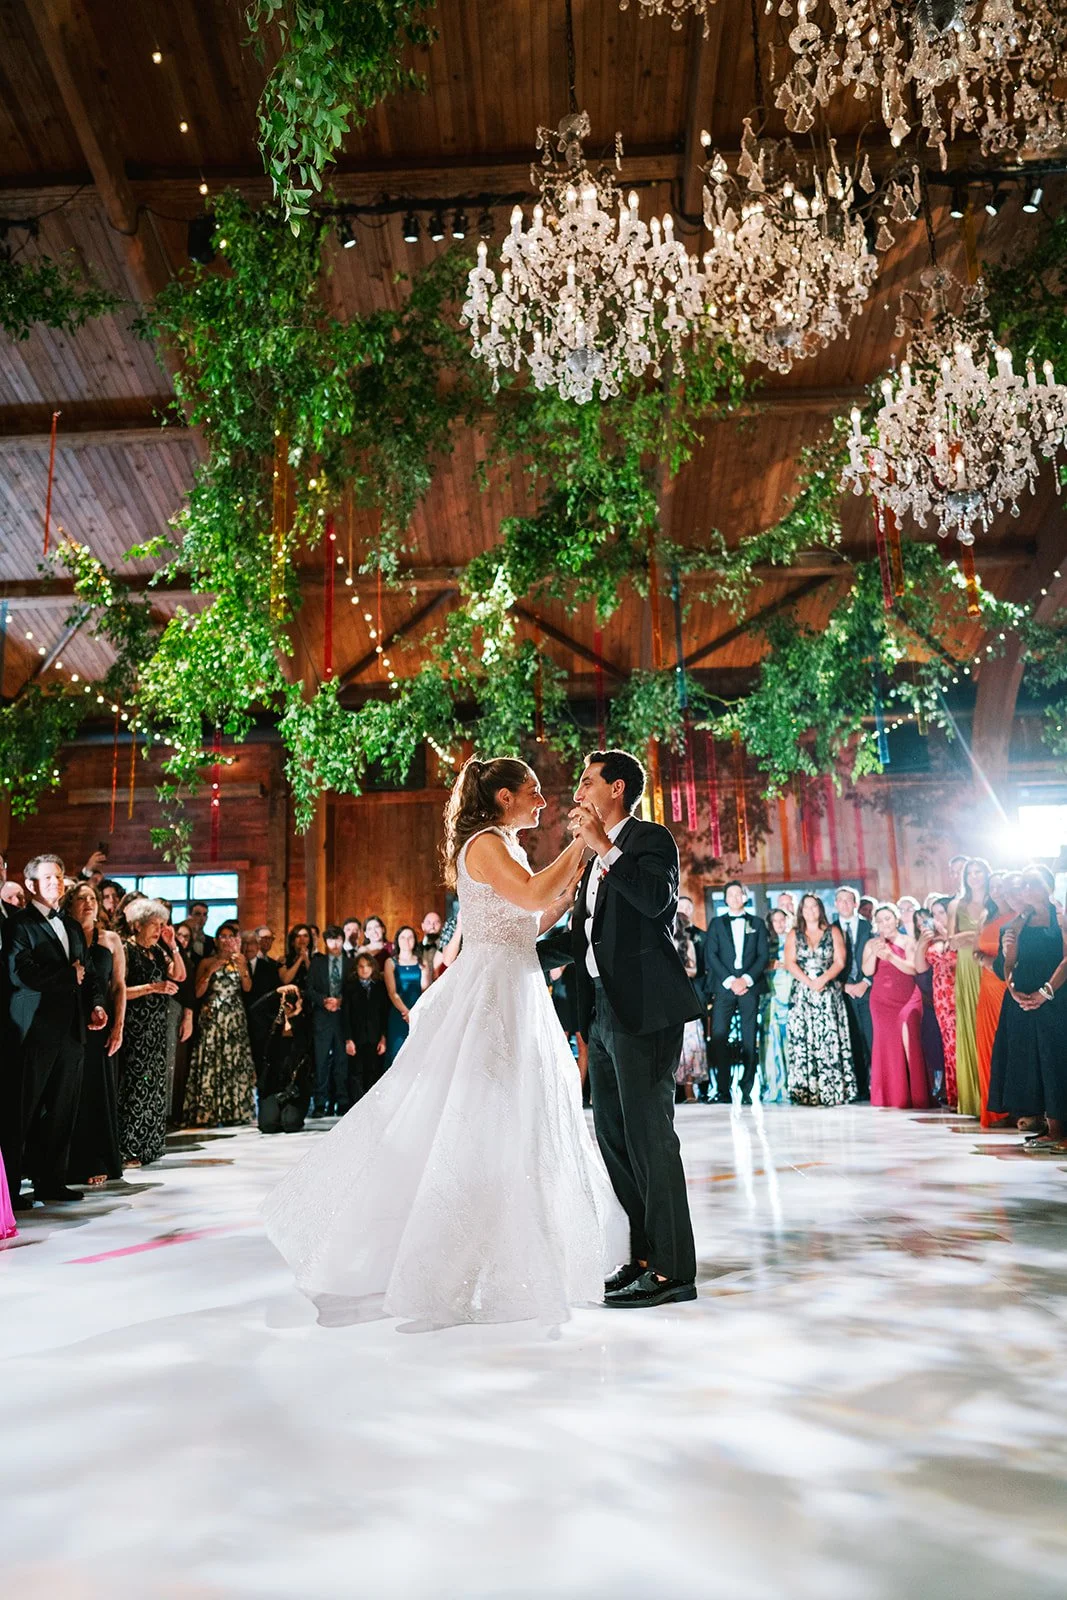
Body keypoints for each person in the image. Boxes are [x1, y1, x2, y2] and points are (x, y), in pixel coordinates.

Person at [262, 755, 626, 1328]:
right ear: (504, 797)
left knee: (521, 1118)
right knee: (472, 1120)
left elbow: (527, 919)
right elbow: (530, 896)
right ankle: (439, 1260)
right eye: (533, 790)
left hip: (518, 982)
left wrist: (569, 897)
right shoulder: (484, 843)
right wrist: (584, 843)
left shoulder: (509, 844)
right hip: (491, 992)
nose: (544, 800)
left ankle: (520, 1251)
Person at [545, 748, 702, 1308]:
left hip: (643, 1013)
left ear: (616, 789)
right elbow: (584, 939)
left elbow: (657, 903)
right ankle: (641, 1256)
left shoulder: (647, 840)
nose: (579, 791)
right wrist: (518, 950)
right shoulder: (594, 860)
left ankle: (672, 1270)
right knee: (615, 1140)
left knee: (650, 1139)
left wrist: (605, 849)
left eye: (587, 781)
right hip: (600, 1016)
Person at [7, 854, 107, 1204]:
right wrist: (67, 977)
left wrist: (96, 1004)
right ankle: (12, 1190)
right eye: (48, 878)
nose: (56, 882)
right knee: (23, 1110)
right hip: (33, 1030)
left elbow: (90, 974)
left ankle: (52, 1181)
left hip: (72, 1031)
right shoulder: (19, 925)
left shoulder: (73, 925)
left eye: (60, 876)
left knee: (63, 1108)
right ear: (32, 883)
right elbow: (20, 973)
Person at [987, 865, 1067, 1151]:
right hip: (1026, 998)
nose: (1024, 891)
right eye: (1023, 886)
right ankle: (1050, 1125)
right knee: (1039, 1061)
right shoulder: (1019, 922)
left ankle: (1060, 1128)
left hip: (1057, 996)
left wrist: (1045, 992)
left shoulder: (1061, 916)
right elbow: (1008, 963)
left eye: (1031, 884)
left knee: (1057, 1059)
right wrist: (1014, 990)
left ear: (1048, 886)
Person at [62, 882, 125, 1188]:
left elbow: (118, 987)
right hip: (67, 1022)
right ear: (68, 903)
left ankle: (97, 1158)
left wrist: (118, 1027)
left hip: (100, 1026)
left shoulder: (111, 939)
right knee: (68, 1092)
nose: (88, 903)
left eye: (92, 898)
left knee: (95, 1091)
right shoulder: (63, 934)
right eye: (81, 898)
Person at [119, 898, 181, 1166]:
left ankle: (150, 1145)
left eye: (160, 924)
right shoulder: (126, 950)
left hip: (156, 1027)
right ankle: (128, 1147)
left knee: (155, 1083)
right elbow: (119, 990)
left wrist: (173, 945)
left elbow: (178, 975)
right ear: (137, 925)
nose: (158, 929)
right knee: (134, 1085)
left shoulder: (156, 951)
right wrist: (153, 988)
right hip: (135, 1026)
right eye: (153, 924)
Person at [784, 893, 855, 1107]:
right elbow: (790, 963)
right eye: (806, 907)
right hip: (802, 994)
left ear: (820, 909)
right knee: (803, 1040)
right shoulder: (794, 934)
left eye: (814, 906)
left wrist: (822, 980)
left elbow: (840, 961)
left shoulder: (832, 931)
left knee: (829, 1040)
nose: (810, 911)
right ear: (801, 911)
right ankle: (805, 1091)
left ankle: (832, 1089)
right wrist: (809, 982)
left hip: (827, 991)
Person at [182, 922, 255, 1128]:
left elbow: (247, 987)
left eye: (229, 936)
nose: (225, 940)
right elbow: (196, 993)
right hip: (212, 1017)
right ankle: (208, 1111)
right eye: (221, 936)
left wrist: (242, 967)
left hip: (234, 1017)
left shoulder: (240, 960)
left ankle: (236, 1110)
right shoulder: (207, 961)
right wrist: (210, 971)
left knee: (234, 1061)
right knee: (212, 1062)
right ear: (216, 940)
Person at [704, 880, 769, 1105]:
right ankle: (722, 1089)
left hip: (750, 987)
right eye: (730, 894)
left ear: (744, 897)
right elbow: (711, 955)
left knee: (750, 1038)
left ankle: (748, 1087)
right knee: (719, 1036)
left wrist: (746, 979)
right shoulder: (716, 924)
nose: (734, 897)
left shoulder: (758, 923)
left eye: (738, 894)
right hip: (725, 988)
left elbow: (763, 955)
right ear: (725, 899)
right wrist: (731, 981)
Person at [863, 903, 928, 1110]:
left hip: (907, 997)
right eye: (880, 920)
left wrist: (891, 956)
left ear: (896, 919)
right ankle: (892, 1095)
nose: (885, 923)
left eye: (888, 919)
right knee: (887, 1044)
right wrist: (876, 951)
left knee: (909, 1040)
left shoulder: (908, 941)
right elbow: (867, 970)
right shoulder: (871, 943)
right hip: (881, 1000)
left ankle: (915, 1094)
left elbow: (913, 969)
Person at [974, 872, 1019, 1128]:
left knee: (1009, 1045)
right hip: (987, 986)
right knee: (987, 1046)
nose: (997, 891)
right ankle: (995, 1109)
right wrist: (983, 959)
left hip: (1006, 984)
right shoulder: (987, 917)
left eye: (1002, 886)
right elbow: (977, 951)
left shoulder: (1018, 918)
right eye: (993, 887)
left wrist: (990, 962)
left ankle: (1017, 1108)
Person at [948, 858, 992, 1117]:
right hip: (967, 967)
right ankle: (976, 1099)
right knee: (972, 1028)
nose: (975, 877)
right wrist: (972, 936)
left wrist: (970, 937)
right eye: (970, 873)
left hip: (990, 963)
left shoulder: (996, 903)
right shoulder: (957, 905)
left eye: (979, 872)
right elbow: (951, 942)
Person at [307, 925, 354, 1117]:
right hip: (323, 1017)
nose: (334, 944)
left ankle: (342, 1101)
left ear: (343, 941)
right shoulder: (317, 963)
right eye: (330, 940)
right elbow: (309, 989)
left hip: (344, 1017)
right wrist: (323, 1001)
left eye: (338, 939)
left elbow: (355, 989)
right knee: (321, 1061)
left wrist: (341, 1000)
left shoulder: (351, 963)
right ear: (325, 943)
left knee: (342, 1061)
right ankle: (320, 1103)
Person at [915, 896, 957, 1108]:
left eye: (942, 912)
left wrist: (947, 934)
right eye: (934, 913)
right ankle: (954, 1094)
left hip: (958, 990)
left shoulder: (958, 934)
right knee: (948, 1046)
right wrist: (923, 943)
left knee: (961, 1043)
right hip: (940, 995)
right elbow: (920, 968)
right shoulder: (932, 940)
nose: (938, 917)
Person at [255, 986, 313, 1135]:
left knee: (290, 1124)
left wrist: (296, 1015)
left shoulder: (306, 1021)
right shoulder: (273, 1021)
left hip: (296, 1086)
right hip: (273, 1085)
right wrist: (276, 993)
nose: (289, 1003)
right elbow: (254, 1010)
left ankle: (290, 1112)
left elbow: (303, 1046)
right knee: (268, 1126)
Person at [833, 885, 872, 1100]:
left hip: (867, 991)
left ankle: (877, 1085)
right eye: (841, 900)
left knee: (870, 1038)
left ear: (856, 904)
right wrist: (843, 985)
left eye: (849, 900)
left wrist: (865, 982)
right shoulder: (830, 929)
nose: (845, 904)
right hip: (842, 992)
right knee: (850, 1040)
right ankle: (858, 1088)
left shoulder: (869, 927)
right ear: (836, 904)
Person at [342, 953, 390, 1102]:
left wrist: (383, 1037)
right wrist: (348, 1039)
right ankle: (356, 1106)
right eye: (361, 966)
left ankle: (371, 1105)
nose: (364, 970)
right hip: (356, 1038)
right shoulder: (350, 987)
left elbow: (384, 1014)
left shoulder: (380, 987)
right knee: (356, 1072)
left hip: (375, 1037)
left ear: (373, 967)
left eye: (368, 966)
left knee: (374, 1071)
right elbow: (345, 1015)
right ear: (356, 968)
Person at [911, 907, 945, 1104]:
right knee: (933, 1042)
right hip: (929, 994)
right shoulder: (924, 942)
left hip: (950, 992)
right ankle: (939, 1085)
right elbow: (919, 968)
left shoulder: (949, 937)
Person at [384, 925, 429, 1067]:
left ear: (415, 941)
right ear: (397, 940)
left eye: (410, 937)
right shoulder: (390, 962)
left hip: (419, 1012)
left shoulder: (422, 963)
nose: (406, 940)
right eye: (402, 937)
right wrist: (407, 1012)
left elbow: (425, 990)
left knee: (417, 1054)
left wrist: (416, 1013)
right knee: (397, 1053)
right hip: (399, 1013)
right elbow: (392, 992)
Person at [674, 919, 708, 1103]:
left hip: (685, 994)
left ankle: (689, 1089)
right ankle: (673, 1091)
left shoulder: (686, 942)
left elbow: (694, 970)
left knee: (691, 1043)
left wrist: (676, 971)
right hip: (664, 997)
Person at [760, 907, 792, 1104]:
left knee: (790, 1039)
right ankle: (773, 1085)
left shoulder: (795, 941)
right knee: (771, 1040)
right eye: (775, 921)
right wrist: (769, 964)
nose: (779, 924)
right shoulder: (764, 944)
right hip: (771, 996)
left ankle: (792, 1084)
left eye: (782, 920)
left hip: (791, 995)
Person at [279, 924, 313, 989]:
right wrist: (300, 959)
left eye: (305, 936)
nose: (302, 939)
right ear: (292, 941)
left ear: (309, 940)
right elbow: (285, 980)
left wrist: (305, 958)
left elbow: (316, 980)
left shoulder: (317, 959)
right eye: (298, 936)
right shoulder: (284, 960)